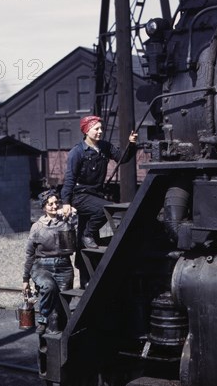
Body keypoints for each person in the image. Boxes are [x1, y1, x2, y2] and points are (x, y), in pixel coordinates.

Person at [61, 115, 138, 250]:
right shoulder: (77, 152)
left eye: (101, 128)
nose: (100, 131)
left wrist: (131, 144)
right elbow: (70, 178)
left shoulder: (105, 146)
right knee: (107, 208)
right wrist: (66, 202)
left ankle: (85, 252)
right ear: (86, 131)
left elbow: (122, 158)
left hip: (95, 194)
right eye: (96, 129)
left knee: (91, 225)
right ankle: (87, 235)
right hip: (79, 195)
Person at [22, 189, 77, 335]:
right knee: (49, 287)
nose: (54, 206)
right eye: (50, 204)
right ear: (44, 207)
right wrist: (25, 279)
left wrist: (72, 218)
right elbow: (29, 254)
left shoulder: (65, 222)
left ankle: (62, 333)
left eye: (56, 203)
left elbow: (72, 243)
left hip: (64, 266)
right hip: (42, 266)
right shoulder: (37, 227)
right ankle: (43, 318)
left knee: (62, 304)